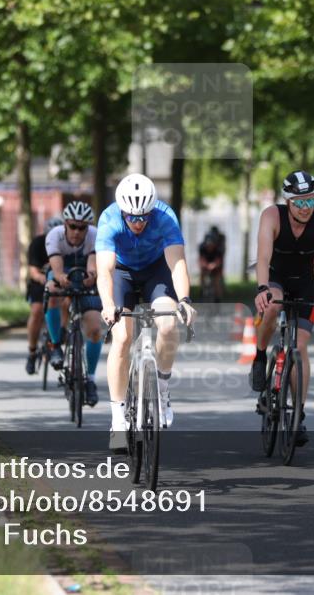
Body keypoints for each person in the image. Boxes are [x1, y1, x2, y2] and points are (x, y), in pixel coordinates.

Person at [96, 173, 197, 453]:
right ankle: (118, 418)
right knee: (122, 338)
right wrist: (107, 304)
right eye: (132, 218)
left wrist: (185, 299)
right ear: (122, 212)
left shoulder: (165, 217)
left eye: (143, 217)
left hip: (156, 271)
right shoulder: (109, 219)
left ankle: (162, 390)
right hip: (122, 274)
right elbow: (104, 271)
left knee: (167, 326)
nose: (138, 223)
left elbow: (177, 263)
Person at [250, 170, 314, 446]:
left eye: (310, 201)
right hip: (275, 277)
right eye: (299, 202)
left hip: (304, 282)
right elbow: (263, 256)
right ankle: (259, 357)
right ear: (287, 201)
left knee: (300, 347)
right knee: (270, 308)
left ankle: (298, 415)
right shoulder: (271, 216)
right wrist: (262, 289)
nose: (305, 208)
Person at [44, 201, 103, 406]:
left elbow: (93, 266)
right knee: (52, 291)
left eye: (82, 227)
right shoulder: (55, 236)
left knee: (95, 329)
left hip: (85, 274)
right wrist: (61, 279)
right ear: (65, 224)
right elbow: (57, 270)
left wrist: (91, 276)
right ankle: (56, 344)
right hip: (64, 270)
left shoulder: (95, 235)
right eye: (73, 226)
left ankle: (91, 379)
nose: (77, 231)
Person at [25, 216, 64, 375]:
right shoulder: (37, 243)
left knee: (67, 302)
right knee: (37, 311)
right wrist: (43, 278)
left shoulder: (66, 244)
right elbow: (33, 271)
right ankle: (32, 352)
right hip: (40, 281)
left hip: (59, 280)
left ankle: (61, 331)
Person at [198, 226, 226, 301]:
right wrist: (206, 265)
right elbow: (201, 260)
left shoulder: (218, 249)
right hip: (206, 263)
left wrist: (213, 265)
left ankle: (218, 298)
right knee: (202, 274)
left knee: (217, 279)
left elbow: (219, 261)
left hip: (215, 264)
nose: (209, 247)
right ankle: (202, 290)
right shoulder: (202, 248)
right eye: (208, 245)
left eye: (211, 245)